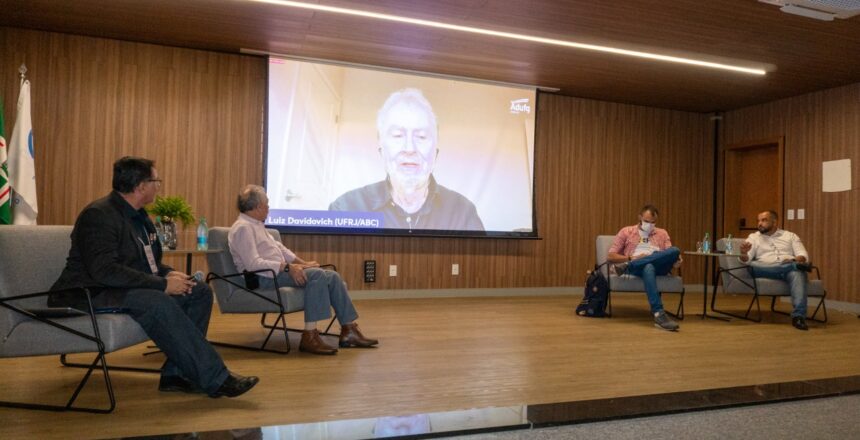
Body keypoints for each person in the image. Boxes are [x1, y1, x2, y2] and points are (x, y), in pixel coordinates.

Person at [49, 156, 258, 398]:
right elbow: (104, 271)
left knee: (198, 291)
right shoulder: (99, 215)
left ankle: (176, 375)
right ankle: (217, 378)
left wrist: (169, 273)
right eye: (156, 181)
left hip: (119, 289)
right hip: (87, 293)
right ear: (140, 186)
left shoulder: (140, 218)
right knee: (157, 300)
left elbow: (149, 263)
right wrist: (162, 284)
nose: (158, 186)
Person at [229, 184, 378, 355]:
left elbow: (280, 249)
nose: (269, 207)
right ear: (257, 207)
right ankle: (309, 336)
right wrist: (287, 268)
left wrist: (303, 263)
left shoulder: (256, 225)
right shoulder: (243, 228)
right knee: (316, 276)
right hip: (262, 278)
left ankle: (349, 330)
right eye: (267, 204)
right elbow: (252, 264)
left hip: (276, 273)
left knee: (332, 276)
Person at [329, 88, 484, 231]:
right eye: (398, 135)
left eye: (421, 137)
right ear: (381, 151)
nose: (410, 148)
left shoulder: (463, 213)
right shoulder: (346, 208)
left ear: (435, 153)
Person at [607, 204, 682, 331]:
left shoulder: (662, 233)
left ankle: (626, 266)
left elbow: (669, 254)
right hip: (637, 265)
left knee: (675, 250)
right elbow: (610, 256)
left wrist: (676, 262)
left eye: (653, 222)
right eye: (647, 221)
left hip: (660, 266)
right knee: (648, 267)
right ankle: (659, 314)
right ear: (640, 217)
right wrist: (630, 258)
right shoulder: (626, 231)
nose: (650, 225)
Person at [739, 210, 813, 331]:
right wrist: (743, 253)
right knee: (753, 264)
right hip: (762, 268)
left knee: (797, 273)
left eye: (764, 220)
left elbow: (803, 255)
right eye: (758, 220)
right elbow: (746, 260)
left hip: (786, 269)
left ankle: (798, 317)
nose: (759, 223)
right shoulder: (753, 237)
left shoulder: (790, 236)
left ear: (774, 222)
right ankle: (793, 266)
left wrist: (795, 260)